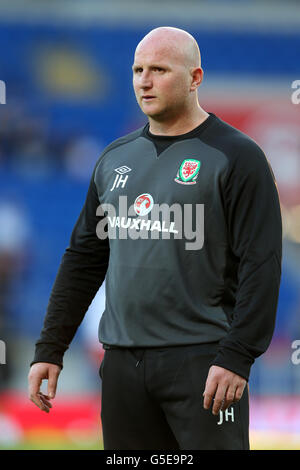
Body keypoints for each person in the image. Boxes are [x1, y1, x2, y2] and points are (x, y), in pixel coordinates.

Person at [28, 27, 282, 450]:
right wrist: (50, 348)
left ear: (195, 77)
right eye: (137, 70)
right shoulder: (115, 158)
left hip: (203, 362)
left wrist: (237, 356)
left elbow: (263, 263)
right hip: (123, 365)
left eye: (159, 70)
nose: (144, 81)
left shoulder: (237, 157)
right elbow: (84, 258)